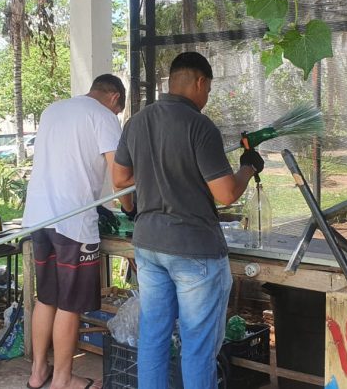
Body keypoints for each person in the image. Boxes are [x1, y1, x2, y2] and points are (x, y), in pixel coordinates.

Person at [112, 52, 264, 389]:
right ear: (200, 82)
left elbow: (120, 179)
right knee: (197, 345)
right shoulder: (199, 125)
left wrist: (132, 211)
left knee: (154, 335)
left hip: (149, 246)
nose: (207, 98)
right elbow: (226, 194)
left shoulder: (136, 122)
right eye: (208, 90)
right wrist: (248, 167)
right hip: (194, 250)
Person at [23, 74, 133, 389]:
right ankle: (63, 379)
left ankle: (37, 374)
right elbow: (120, 175)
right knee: (69, 305)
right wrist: (130, 207)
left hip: (39, 218)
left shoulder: (53, 110)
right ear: (114, 98)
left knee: (47, 299)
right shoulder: (104, 116)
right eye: (118, 109)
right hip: (72, 223)